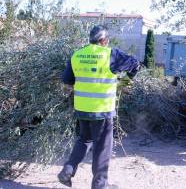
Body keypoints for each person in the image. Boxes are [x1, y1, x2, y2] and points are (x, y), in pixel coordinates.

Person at [58, 25, 140, 189]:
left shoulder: (77, 55)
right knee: (102, 148)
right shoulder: (110, 54)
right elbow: (135, 64)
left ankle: (67, 170)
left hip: (82, 109)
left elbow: (67, 80)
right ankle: (100, 185)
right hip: (102, 110)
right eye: (107, 40)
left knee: (84, 139)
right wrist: (122, 83)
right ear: (104, 40)